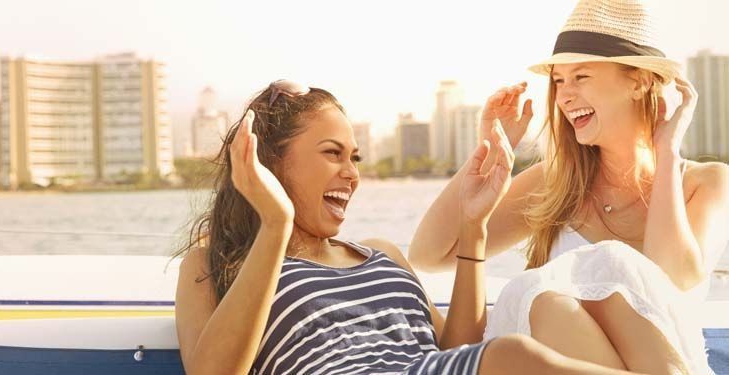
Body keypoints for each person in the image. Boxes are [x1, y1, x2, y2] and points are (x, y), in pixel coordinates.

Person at [173, 80, 641, 374]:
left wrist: (473, 225)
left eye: (354, 157)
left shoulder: (381, 254)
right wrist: (276, 225)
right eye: (332, 153)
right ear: (270, 163)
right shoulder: (215, 264)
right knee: (515, 356)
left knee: (581, 295)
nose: (352, 173)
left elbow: (455, 351)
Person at [408, 1, 729, 374]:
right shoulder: (556, 181)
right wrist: (491, 150)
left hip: (668, 360)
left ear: (639, 81)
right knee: (546, 300)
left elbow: (671, 279)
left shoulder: (706, 182)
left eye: (581, 77)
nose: (563, 96)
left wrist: (667, 152)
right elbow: (429, 254)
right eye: (559, 81)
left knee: (598, 276)